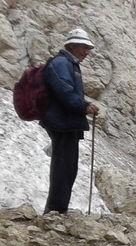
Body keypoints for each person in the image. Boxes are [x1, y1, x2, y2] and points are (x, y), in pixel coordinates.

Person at [40, 28, 99, 214]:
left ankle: (58, 208)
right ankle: (55, 210)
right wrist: (84, 106)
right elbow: (65, 92)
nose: (87, 52)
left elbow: (67, 92)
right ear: (72, 46)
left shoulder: (69, 64)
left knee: (67, 167)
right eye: (84, 47)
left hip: (67, 123)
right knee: (63, 167)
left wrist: (85, 104)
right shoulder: (61, 63)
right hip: (62, 123)